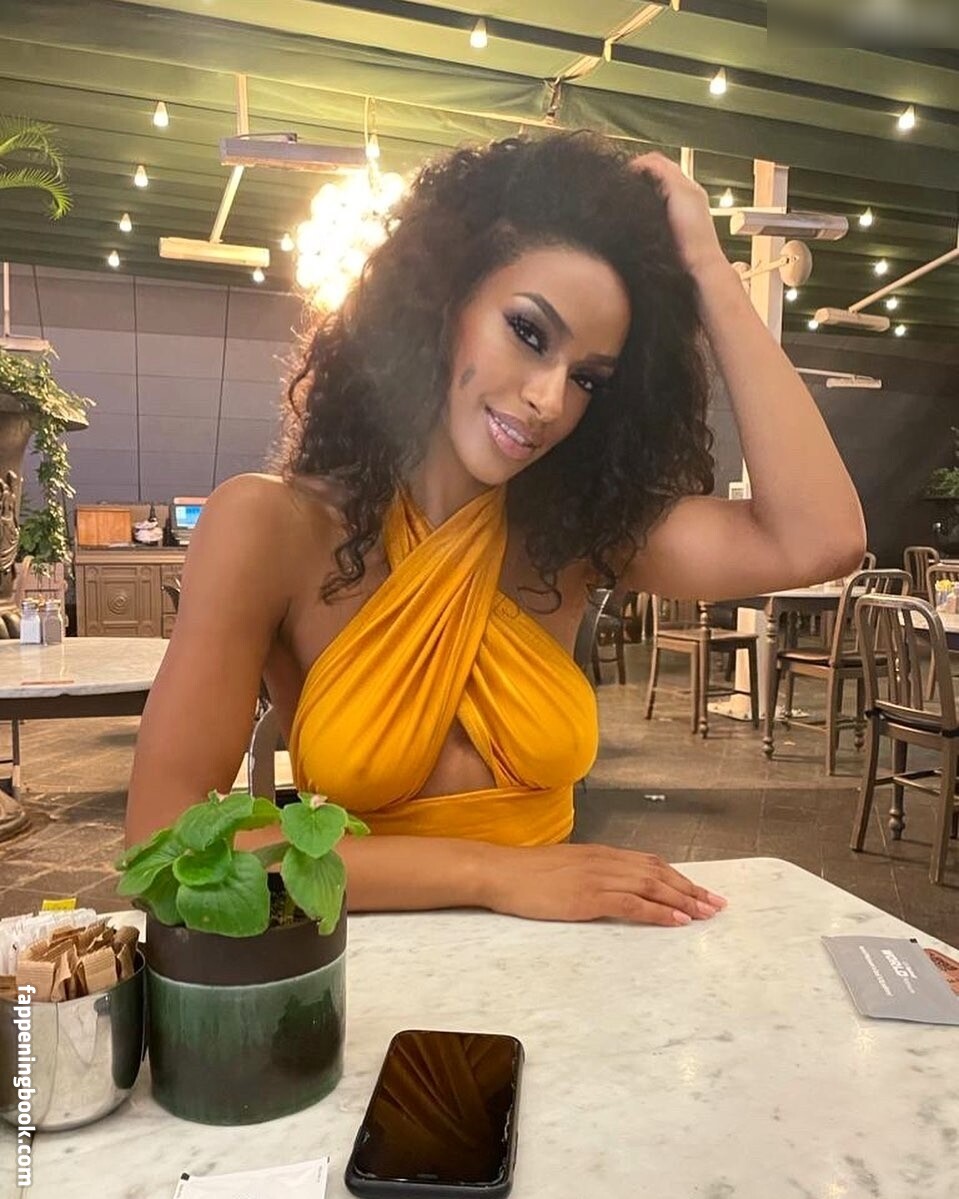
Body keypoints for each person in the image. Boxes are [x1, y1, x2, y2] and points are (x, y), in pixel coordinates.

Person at [126, 132, 865, 927]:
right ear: (444, 302)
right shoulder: (272, 527)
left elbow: (818, 537)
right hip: (364, 976)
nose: (550, 398)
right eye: (529, 332)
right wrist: (492, 873)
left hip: (558, 966)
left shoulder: (568, 535)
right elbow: (162, 852)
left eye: (588, 379)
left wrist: (710, 273)